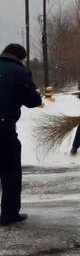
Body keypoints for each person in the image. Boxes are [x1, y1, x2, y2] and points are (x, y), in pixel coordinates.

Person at [0, 44, 42, 226]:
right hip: (3, 130)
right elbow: (33, 101)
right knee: (10, 173)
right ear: (21, 58)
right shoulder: (19, 72)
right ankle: (9, 215)